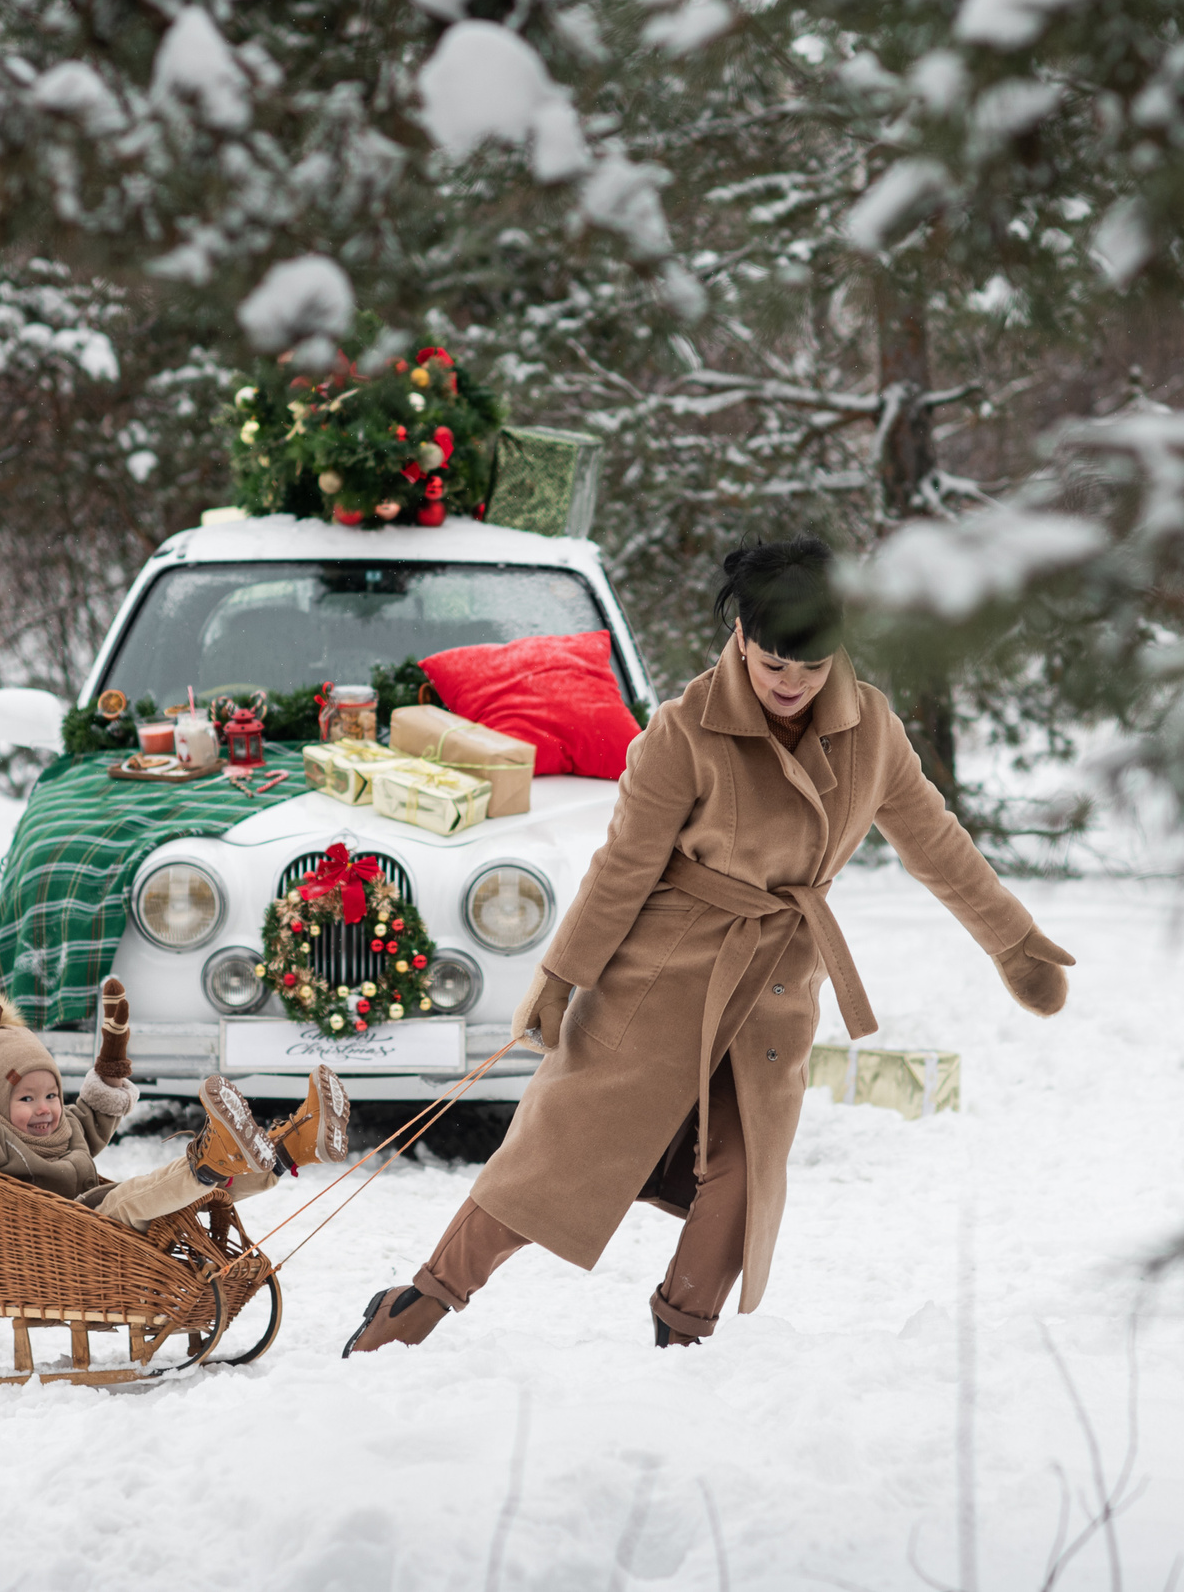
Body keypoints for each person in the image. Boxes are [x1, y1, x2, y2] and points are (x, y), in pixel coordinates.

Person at [346, 537, 1074, 1354]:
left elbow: (936, 841)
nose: (791, 683)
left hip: (776, 985)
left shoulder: (873, 731)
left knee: (746, 1169)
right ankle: (421, 1301)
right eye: (773, 664)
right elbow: (622, 865)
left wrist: (1013, 941)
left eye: (810, 664)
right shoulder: (684, 729)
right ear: (741, 640)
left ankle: (682, 1338)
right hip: (663, 974)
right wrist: (560, 975)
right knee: (560, 1152)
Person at [0, 978, 349, 1228]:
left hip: (100, 1226)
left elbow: (94, 1113)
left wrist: (111, 1061)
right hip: (72, 1234)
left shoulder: (63, 1128)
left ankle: (289, 1148)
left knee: (182, 1195)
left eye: (52, 1094)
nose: (44, 1108)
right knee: (132, 1196)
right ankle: (209, 1160)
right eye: (26, 1098)